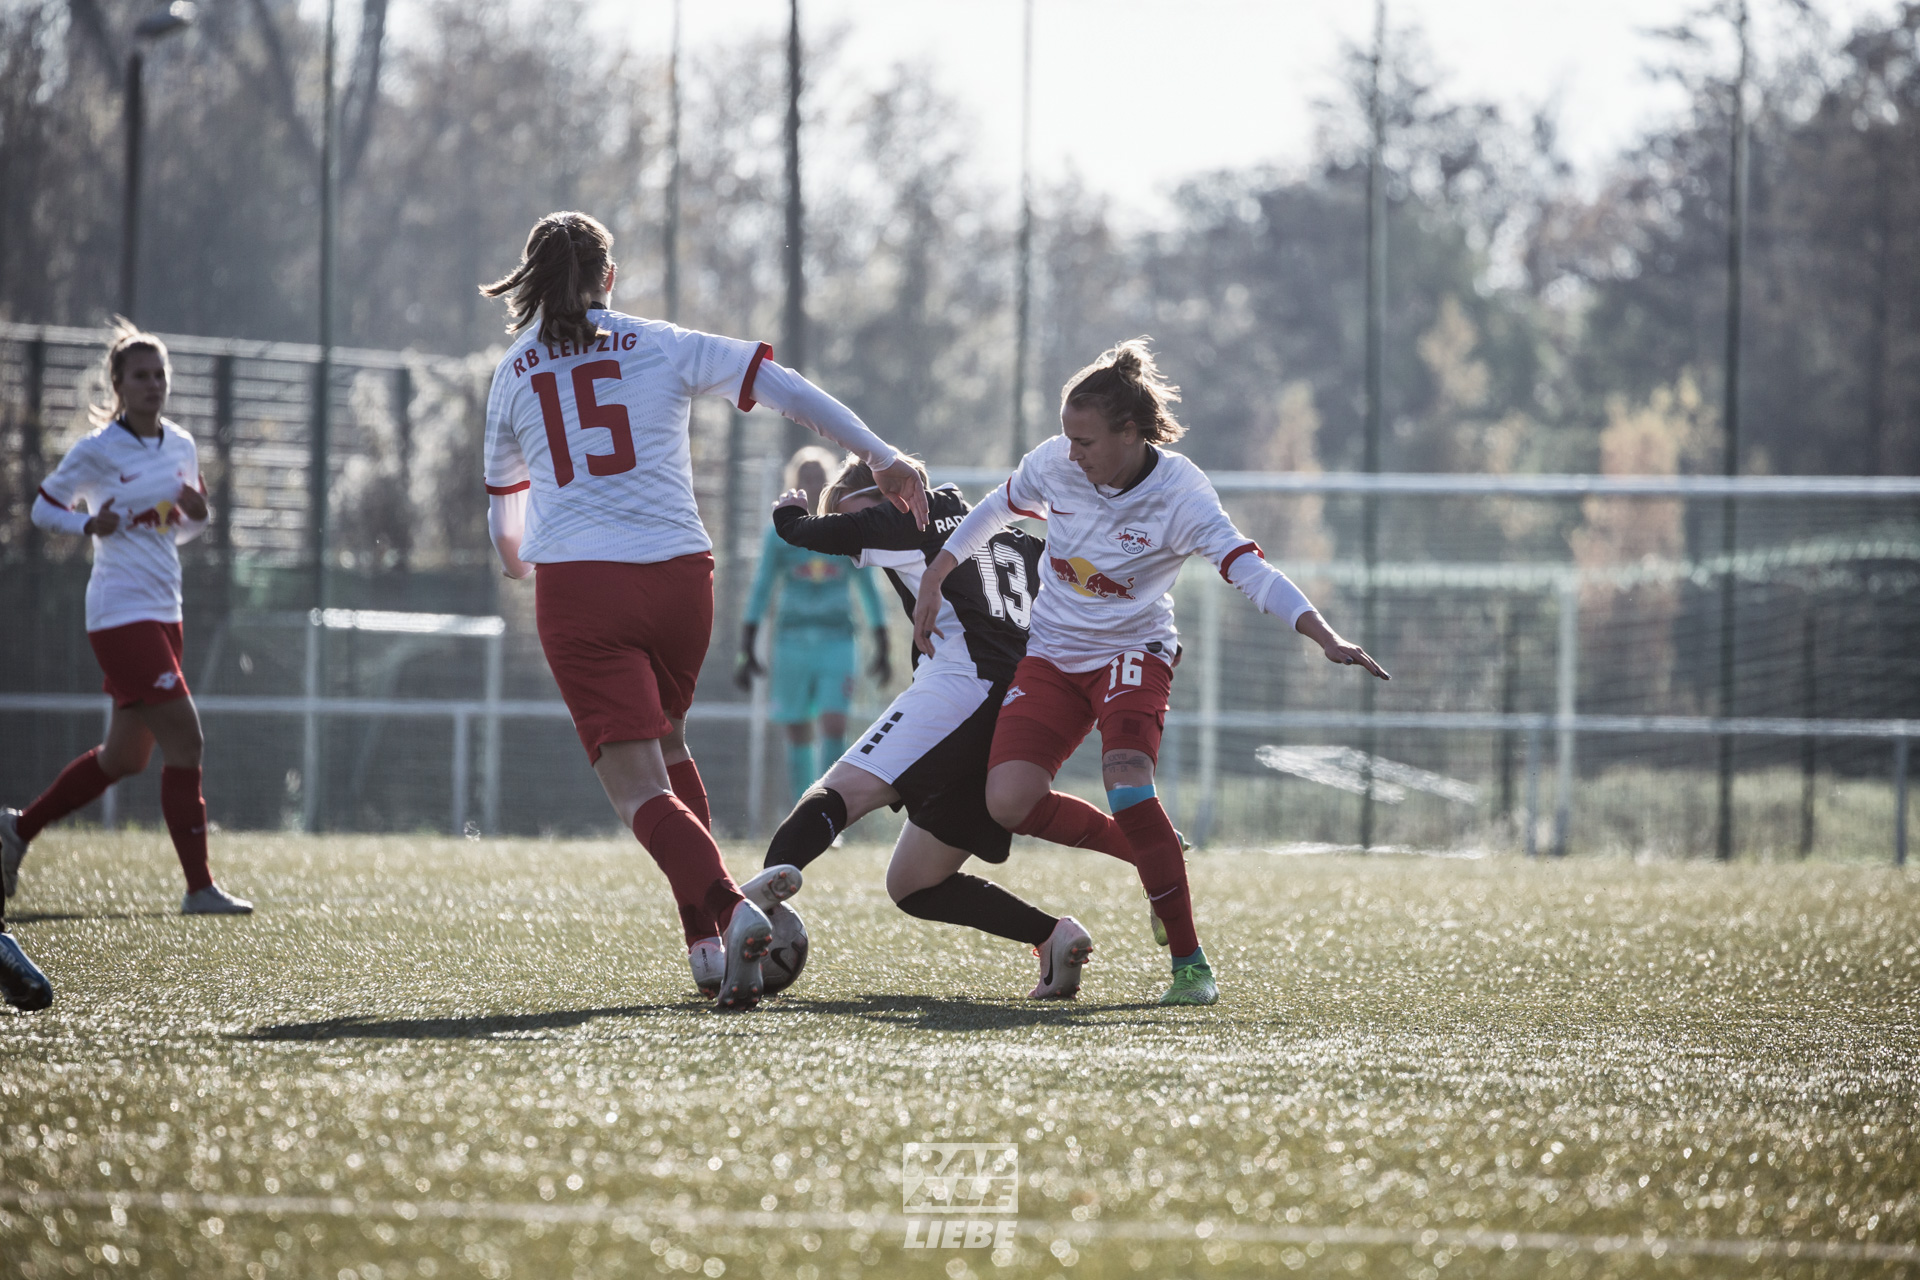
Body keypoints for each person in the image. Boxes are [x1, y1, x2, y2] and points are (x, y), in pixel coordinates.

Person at [479, 211, 927, 1009]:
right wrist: (882, 456)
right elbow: (784, 387)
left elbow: (508, 535)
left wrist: (524, 559)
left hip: (584, 587)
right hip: (682, 578)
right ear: (608, 279)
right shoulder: (658, 341)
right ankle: (707, 948)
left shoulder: (512, 373)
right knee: (670, 746)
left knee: (635, 790)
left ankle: (731, 911)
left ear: (532, 279)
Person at [912, 338, 1388, 1006]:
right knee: (1008, 802)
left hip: (1134, 653)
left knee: (1129, 785)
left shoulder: (1182, 493)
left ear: (1131, 434)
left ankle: (1190, 965)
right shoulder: (1056, 464)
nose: (1072, 454)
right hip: (1051, 653)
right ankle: (1150, 853)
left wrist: (1323, 633)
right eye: (1066, 438)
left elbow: (1248, 568)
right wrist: (938, 572)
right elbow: (996, 509)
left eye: (1086, 441)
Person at [759, 456, 1096, 998]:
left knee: (838, 792)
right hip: (1015, 704)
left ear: (887, 492)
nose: (857, 540)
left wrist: (790, 513)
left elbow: (806, 534)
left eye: (855, 510)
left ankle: (750, 908)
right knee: (914, 883)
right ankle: (1053, 935)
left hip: (963, 686)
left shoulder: (908, 515)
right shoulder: (1002, 531)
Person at [2, 323, 253, 917]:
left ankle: (17, 829)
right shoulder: (96, 450)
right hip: (119, 614)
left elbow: (181, 525)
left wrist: (198, 513)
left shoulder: (181, 445)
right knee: (187, 740)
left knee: (126, 758)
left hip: (166, 610)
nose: (152, 385)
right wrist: (86, 524)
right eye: (140, 376)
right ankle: (199, 889)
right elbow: (42, 508)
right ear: (117, 384)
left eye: (160, 374)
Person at [737, 446, 891, 807]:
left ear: (827, 485)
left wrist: (881, 640)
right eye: (803, 477)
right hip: (791, 642)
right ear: (795, 482)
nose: (810, 482)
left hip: (837, 640)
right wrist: (748, 644)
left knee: (834, 723)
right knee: (797, 728)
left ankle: (831, 808)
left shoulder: (846, 529)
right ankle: (802, 808)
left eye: (817, 477)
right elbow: (761, 588)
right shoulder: (779, 535)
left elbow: (868, 587)